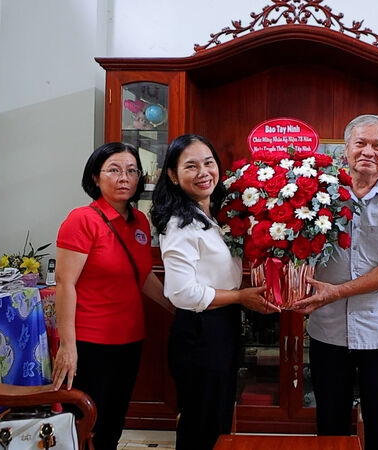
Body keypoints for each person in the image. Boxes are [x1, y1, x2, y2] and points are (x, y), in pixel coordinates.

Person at [291, 115, 378, 450]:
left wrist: (337, 292)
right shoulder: (319, 194)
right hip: (328, 330)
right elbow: (298, 246)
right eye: (360, 143)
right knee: (330, 426)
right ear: (346, 149)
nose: (368, 151)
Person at [150, 134, 281, 450]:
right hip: (199, 331)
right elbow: (182, 293)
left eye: (208, 162)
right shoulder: (180, 223)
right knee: (201, 425)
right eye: (191, 166)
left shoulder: (215, 214)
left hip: (222, 324)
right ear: (172, 174)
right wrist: (239, 297)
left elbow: (219, 273)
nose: (203, 172)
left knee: (217, 420)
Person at [52, 142, 171, 450]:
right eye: (114, 170)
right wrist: (67, 346)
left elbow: (142, 276)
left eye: (132, 171)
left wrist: (176, 308)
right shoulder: (82, 219)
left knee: (114, 421)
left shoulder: (141, 222)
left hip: (130, 339)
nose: (124, 178)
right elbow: (65, 283)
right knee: (84, 423)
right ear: (95, 177)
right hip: (91, 342)